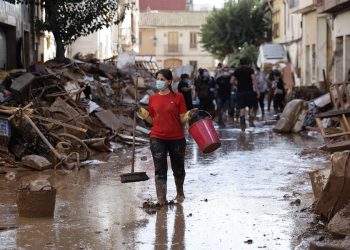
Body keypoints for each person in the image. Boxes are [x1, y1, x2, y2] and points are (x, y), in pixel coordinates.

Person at [137, 69, 196, 206]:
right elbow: (151, 120)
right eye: (158, 78)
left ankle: (180, 193)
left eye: (162, 79)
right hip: (157, 137)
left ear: (169, 82)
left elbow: (181, 119)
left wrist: (189, 115)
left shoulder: (178, 97)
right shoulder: (153, 98)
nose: (159, 81)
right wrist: (140, 111)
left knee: (179, 168)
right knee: (160, 170)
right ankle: (161, 200)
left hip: (177, 138)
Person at [231, 58, 259, 132]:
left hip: (240, 92)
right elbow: (254, 81)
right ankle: (251, 122)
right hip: (249, 92)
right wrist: (257, 91)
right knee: (251, 108)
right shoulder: (250, 70)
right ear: (247, 63)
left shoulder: (237, 71)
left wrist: (237, 84)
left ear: (240, 63)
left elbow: (231, 81)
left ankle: (243, 128)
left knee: (242, 109)